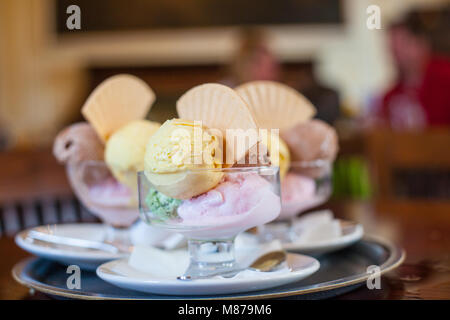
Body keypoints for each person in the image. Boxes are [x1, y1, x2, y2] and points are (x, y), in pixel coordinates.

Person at [377, 10, 450, 129]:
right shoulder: (391, 97)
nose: (397, 52)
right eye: (393, 46)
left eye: (403, 44)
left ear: (422, 43)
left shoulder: (446, 79)